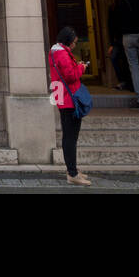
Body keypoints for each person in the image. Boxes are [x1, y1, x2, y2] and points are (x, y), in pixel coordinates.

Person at [50, 26, 89, 186]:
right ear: (68, 41)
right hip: (68, 98)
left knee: (70, 136)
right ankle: (72, 172)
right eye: (74, 42)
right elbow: (71, 76)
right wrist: (82, 67)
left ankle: (72, 169)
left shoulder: (55, 52)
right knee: (71, 137)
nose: (75, 44)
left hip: (62, 96)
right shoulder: (62, 53)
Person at [106, 0, 130, 90]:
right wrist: (111, 43)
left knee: (126, 59)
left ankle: (128, 82)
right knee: (115, 57)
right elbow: (110, 26)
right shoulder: (113, 6)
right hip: (118, 39)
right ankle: (123, 81)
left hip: (127, 35)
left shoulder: (127, 2)